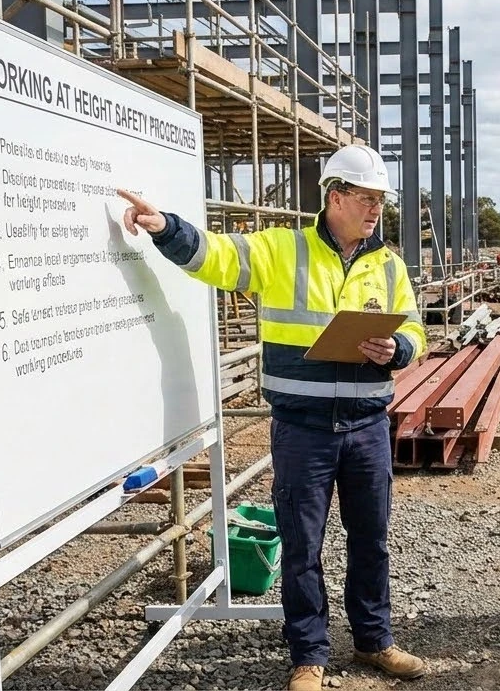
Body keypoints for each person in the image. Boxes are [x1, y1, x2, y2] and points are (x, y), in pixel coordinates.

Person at [117, 144, 429, 691]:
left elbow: (418, 331)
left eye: (380, 199)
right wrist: (166, 226)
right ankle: (309, 656)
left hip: (366, 428)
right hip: (303, 429)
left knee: (371, 539)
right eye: (366, 198)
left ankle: (374, 641)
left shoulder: (389, 264)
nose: (376, 208)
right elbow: (216, 257)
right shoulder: (282, 250)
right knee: (302, 545)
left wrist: (398, 348)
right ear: (334, 197)